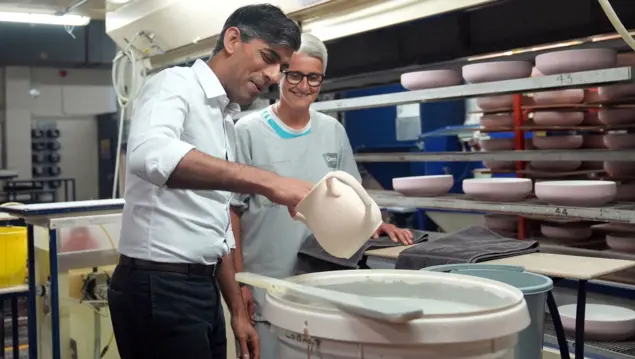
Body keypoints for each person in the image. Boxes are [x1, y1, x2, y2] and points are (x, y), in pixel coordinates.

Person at [107, 5, 312, 359]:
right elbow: (150, 154)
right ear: (233, 39)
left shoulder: (225, 121)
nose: (274, 75)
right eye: (268, 57)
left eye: (282, 67)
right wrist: (268, 182)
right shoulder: (175, 85)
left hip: (200, 288)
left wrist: (236, 311)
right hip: (158, 287)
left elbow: (219, 228)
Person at [231, 33, 414, 359]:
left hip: (324, 286)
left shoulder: (333, 131)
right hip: (265, 287)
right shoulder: (246, 132)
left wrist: (376, 222)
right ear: (280, 75)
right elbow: (231, 213)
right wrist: (239, 284)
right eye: (295, 75)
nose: (303, 85)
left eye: (313, 77)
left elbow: (352, 198)